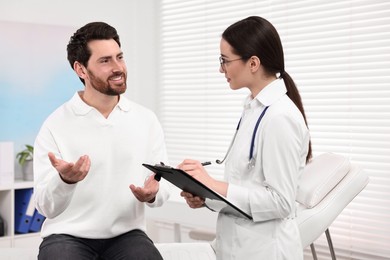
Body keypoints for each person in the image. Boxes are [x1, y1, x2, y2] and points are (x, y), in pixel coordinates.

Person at [33, 22, 170, 260]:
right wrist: (65, 180)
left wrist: (153, 194)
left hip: (127, 235)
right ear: (81, 69)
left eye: (120, 57)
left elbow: (162, 186)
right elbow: (45, 207)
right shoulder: (54, 125)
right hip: (67, 235)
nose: (118, 68)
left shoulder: (146, 120)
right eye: (105, 61)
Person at [178, 16, 312, 260]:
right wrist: (205, 196)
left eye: (225, 60)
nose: (221, 69)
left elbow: (280, 202)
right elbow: (244, 189)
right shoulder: (253, 110)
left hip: (267, 251)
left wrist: (211, 185)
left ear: (253, 63)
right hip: (238, 249)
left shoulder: (280, 117)